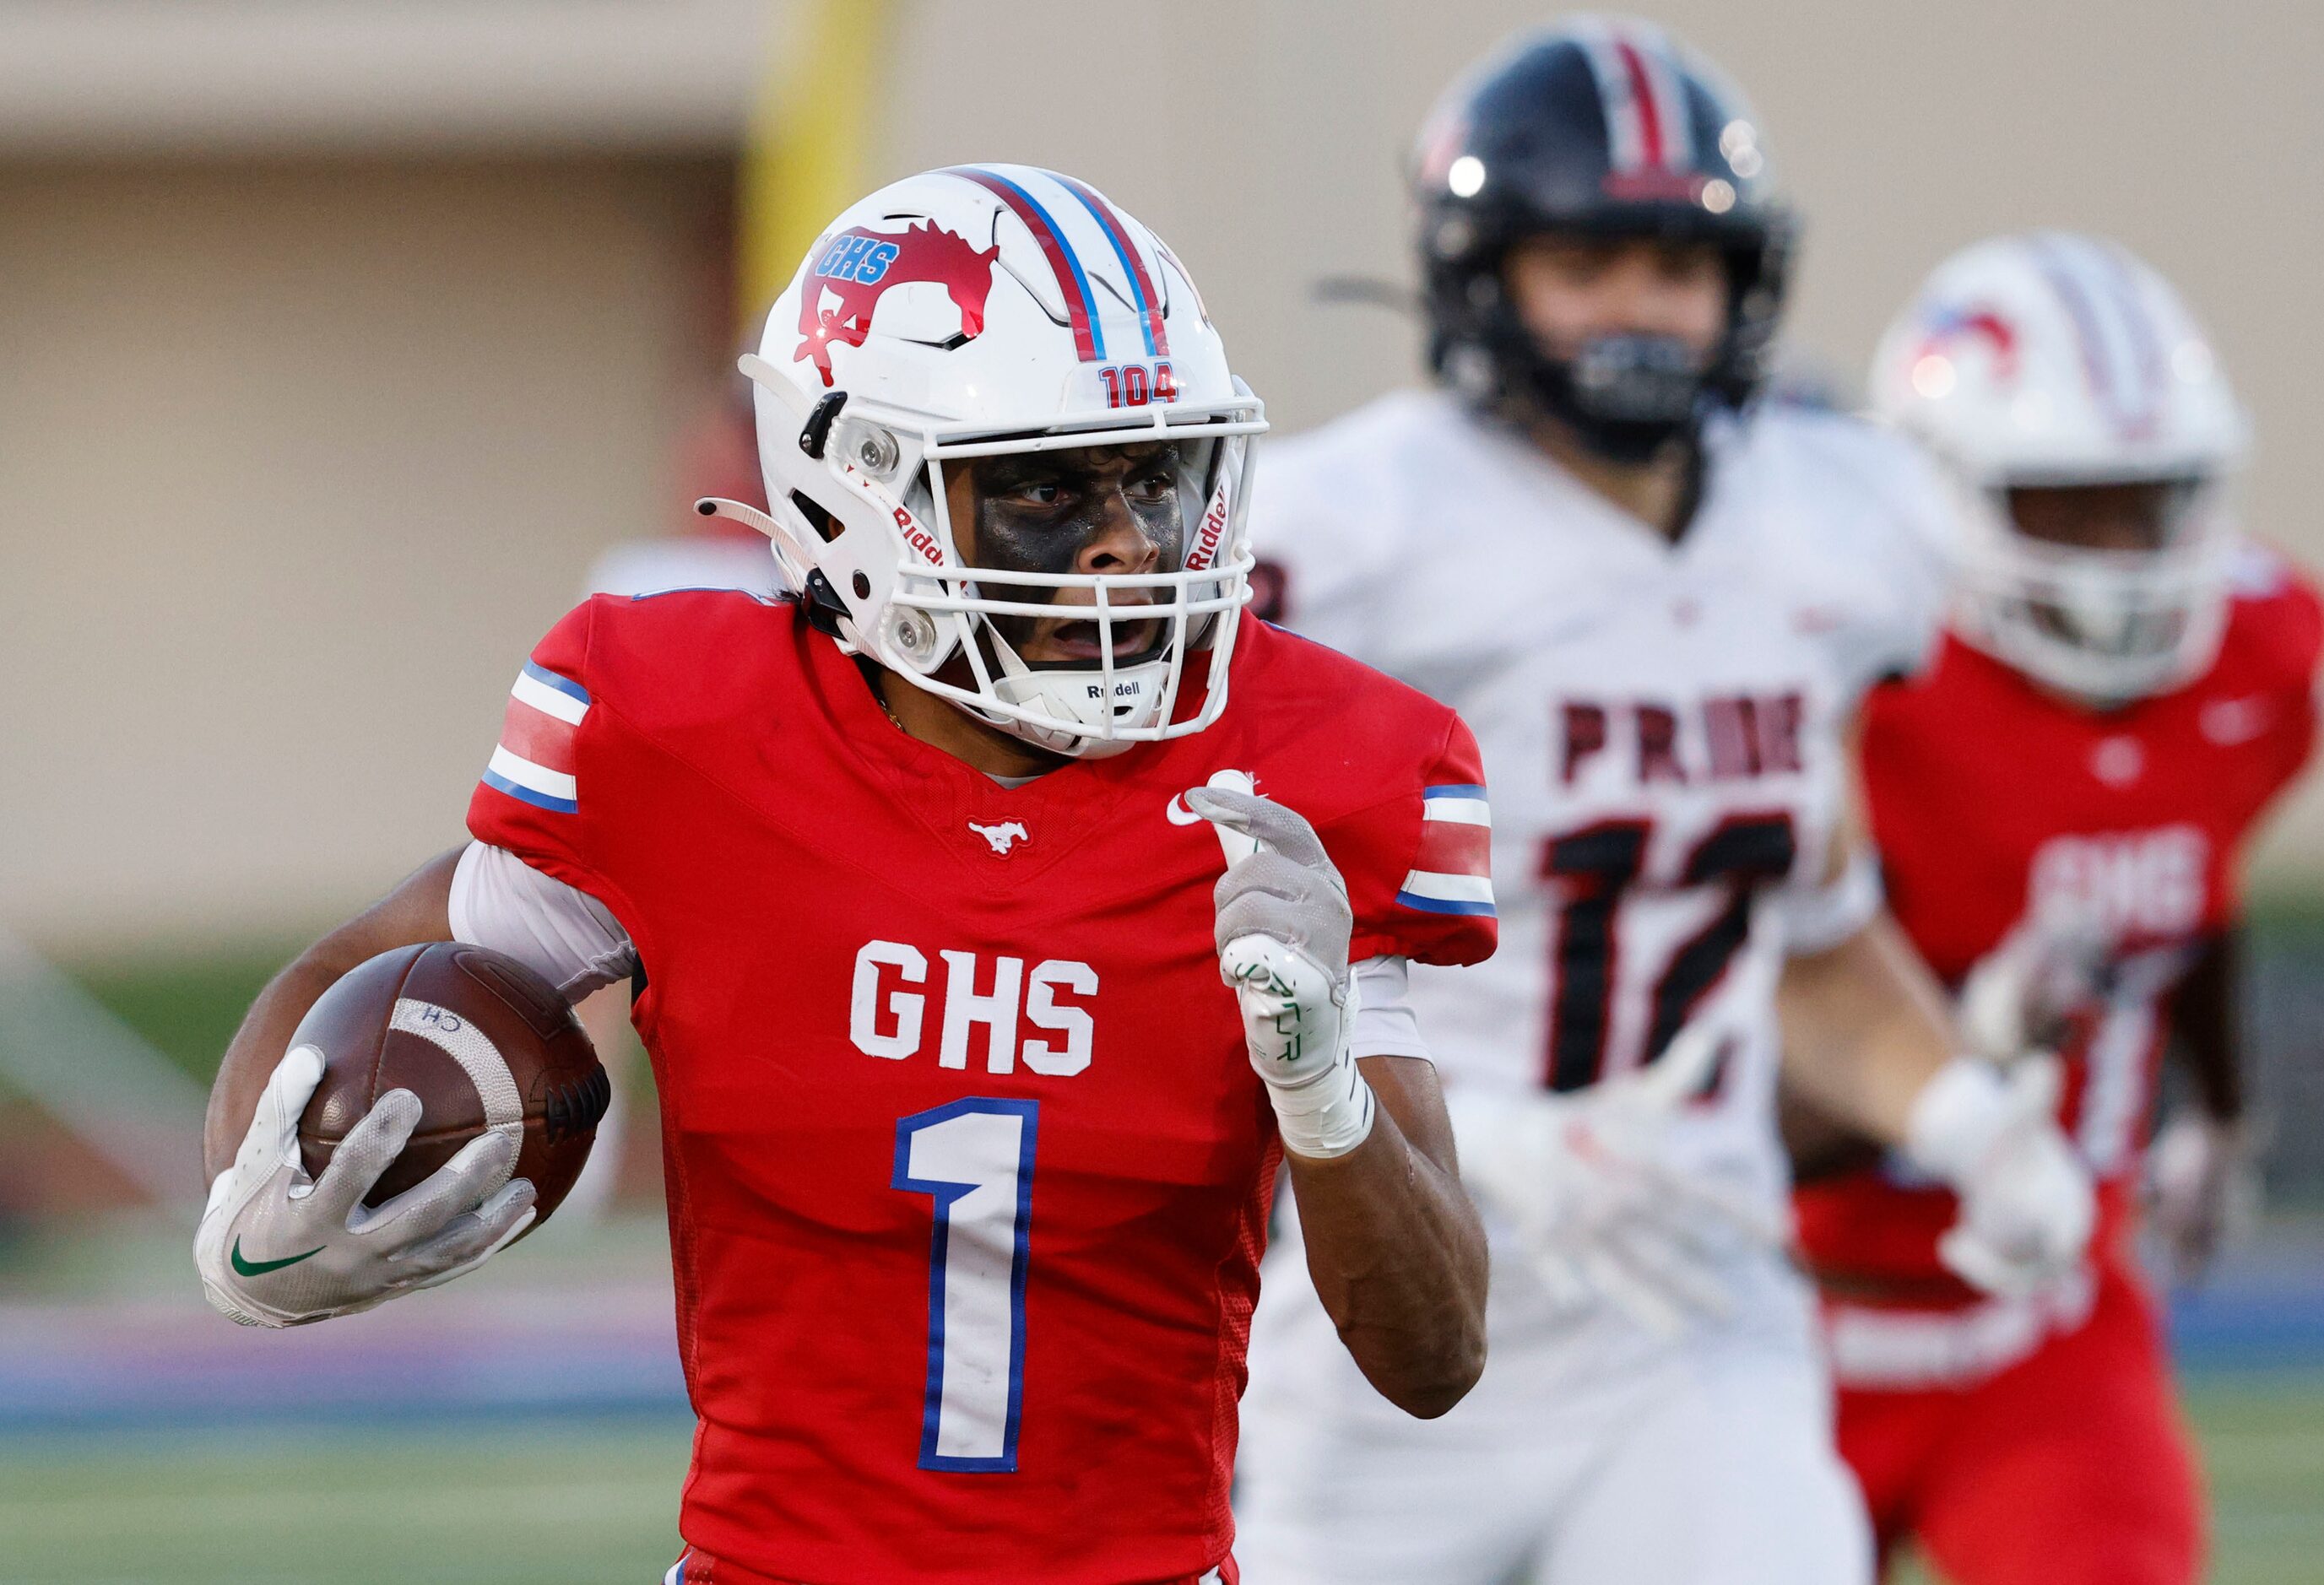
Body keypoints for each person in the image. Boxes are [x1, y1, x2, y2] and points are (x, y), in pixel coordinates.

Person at [192, 165, 1502, 1585]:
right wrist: (251, 1216)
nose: (1127, 539)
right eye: (1052, 485)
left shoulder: (1304, 775)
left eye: (1155, 473)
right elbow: (368, 978)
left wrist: (1323, 1086)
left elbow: (1432, 1359)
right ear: (864, 486)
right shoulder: (679, 735)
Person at [1230, 22, 2094, 1584]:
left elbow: (1812, 931)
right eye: (1587, 261)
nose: (1640, 309)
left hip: (1698, 1318)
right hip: (1391, 1294)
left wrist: (1969, 1120)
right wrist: (1481, 1138)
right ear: (1484, 275)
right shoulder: (1346, 533)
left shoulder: (1832, 525)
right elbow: (1196, 918)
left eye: (1675, 266)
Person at [1790, 233, 2321, 1585]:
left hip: (2046, 1317)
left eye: (2147, 503)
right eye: (2066, 506)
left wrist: (2219, 1103)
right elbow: (1750, 1043)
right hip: (1784, 1308)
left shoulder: (2258, 661)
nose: (2120, 554)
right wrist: (1959, 1058)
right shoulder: (1845, 678)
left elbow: (2180, 887)